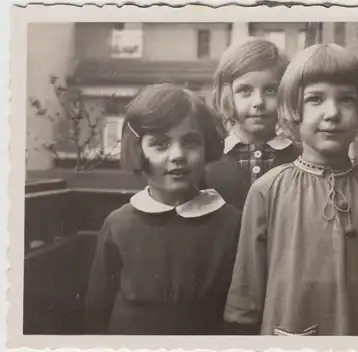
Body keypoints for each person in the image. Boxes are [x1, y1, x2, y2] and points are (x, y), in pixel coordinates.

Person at [223, 44, 358, 336]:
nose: (332, 113)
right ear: (292, 110)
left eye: (346, 99)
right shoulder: (268, 191)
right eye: (315, 99)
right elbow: (245, 295)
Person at [84, 84, 241, 335]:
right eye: (160, 144)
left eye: (190, 142)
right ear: (137, 150)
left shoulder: (231, 224)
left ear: (207, 146)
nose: (177, 155)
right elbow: (96, 311)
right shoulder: (119, 225)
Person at [204, 38, 300, 210]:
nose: (258, 102)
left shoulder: (299, 159)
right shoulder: (211, 160)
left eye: (270, 90)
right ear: (228, 95)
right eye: (245, 91)